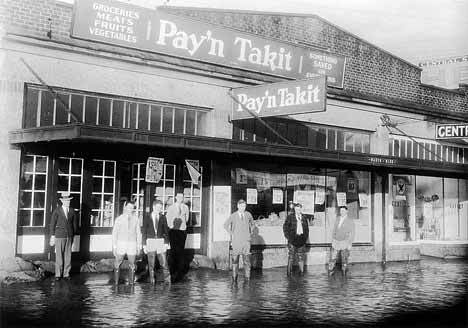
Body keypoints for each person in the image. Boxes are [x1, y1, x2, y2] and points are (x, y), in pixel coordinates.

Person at [49, 192, 78, 281]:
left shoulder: (72, 211)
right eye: (66, 201)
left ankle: (66, 274)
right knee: (59, 256)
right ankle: (58, 274)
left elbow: (75, 225)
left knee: (68, 255)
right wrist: (52, 236)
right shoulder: (57, 211)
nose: (68, 202)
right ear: (62, 201)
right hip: (59, 236)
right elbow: (52, 224)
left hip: (69, 236)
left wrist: (73, 234)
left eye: (69, 200)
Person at [224, 199, 254, 284]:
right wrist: (232, 234)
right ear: (238, 206)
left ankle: (247, 280)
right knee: (235, 261)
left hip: (246, 242)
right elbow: (225, 225)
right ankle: (234, 280)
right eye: (241, 206)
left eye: (244, 206)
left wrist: (250, 233)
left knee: (247, 261)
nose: (242, 208)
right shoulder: (233, 215)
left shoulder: (248, 214)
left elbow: (253, 224)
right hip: (236, 242)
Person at [112, 200, 142, 285]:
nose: (130, 209)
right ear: (125, 207)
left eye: (132, 208)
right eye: (129, 207)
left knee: (132, 263)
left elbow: (138, 233)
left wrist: (139, 246)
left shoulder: (136, 219)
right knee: (118, 261)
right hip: (121, 243)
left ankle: (131, 284)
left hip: (132, 244)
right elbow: (114, 233)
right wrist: (114, 246)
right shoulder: (119, 219)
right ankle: (116, 283)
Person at [142, 200, 170, 284]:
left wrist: (166, 243)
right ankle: (152, 282)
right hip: (150, 241)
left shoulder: (163, 217)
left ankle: (168, 282)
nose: (159, 209)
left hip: (160, 241)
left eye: (160, 208)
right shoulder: (147, 217)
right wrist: (144, 245)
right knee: (151, 264)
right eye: (158, 207)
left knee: (164, 263)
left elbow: (166, 231)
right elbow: (144, 232)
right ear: (153, 207)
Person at [165, 193, 190, 283]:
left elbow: (186, 219)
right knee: (173, 251)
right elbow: (167, 219)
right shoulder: (171, 207)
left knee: (180, 251)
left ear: (183, 198)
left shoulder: (185, 207)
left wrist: (182, 224)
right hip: (173, 231)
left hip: (182, 230)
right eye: (178, 197)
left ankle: (179, 273)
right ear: (175, 197)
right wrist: (171, 226)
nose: (180, 198)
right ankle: (172, 272)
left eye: (182, 197)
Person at [283, 203, 309, 276]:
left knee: (301, 257)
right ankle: (289, 273)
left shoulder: (304, 217)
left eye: (299, 209)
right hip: (293, 239)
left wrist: (305, 238)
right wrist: (289, 237)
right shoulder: (290, 217)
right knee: (291, 257)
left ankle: (301, 272)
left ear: (301, 209)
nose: (298, 210)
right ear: (294, 209)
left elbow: (307, 229)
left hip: (301, 239)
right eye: (296, 209)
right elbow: (285, 228)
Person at [328, 206, 355, 274]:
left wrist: (350, 244)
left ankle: (344, 274)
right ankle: (331, 272)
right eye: (340, 211)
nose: (341, 212)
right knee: (332, 258)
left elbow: (352, 233)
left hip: (344, 242)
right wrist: (333, 240)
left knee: (344, 259)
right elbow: (334, 229)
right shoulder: (337, 219)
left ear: (346, 211)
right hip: (336, 241)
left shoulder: (350, 221)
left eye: (343, 211)